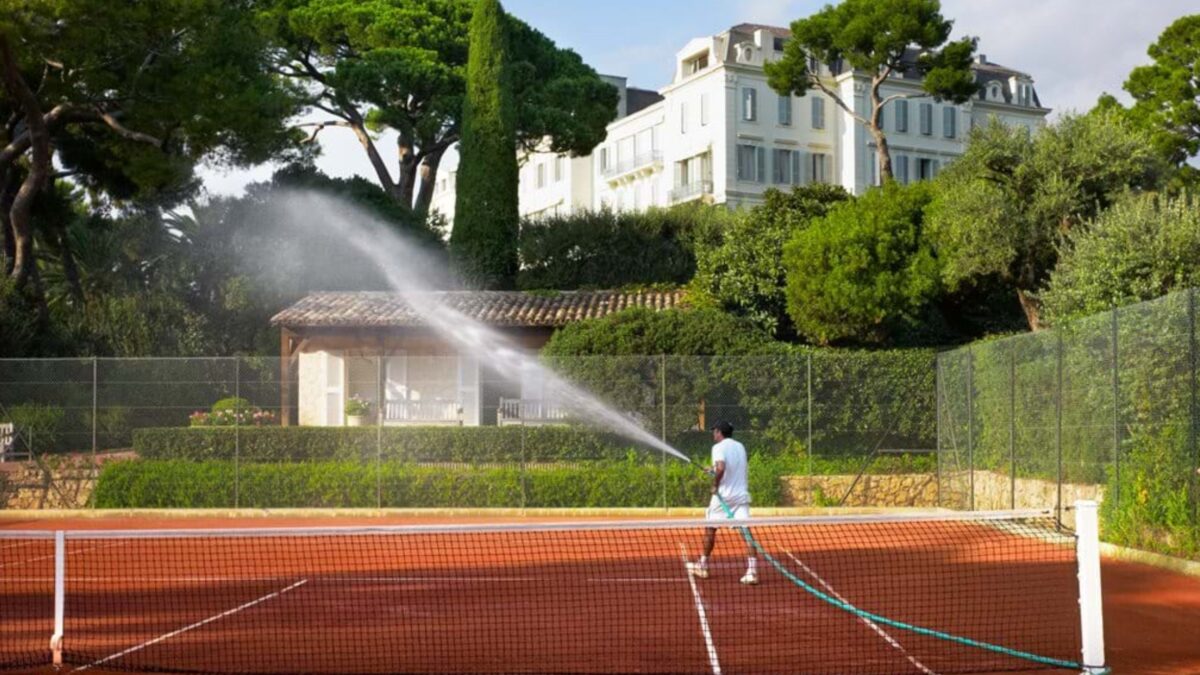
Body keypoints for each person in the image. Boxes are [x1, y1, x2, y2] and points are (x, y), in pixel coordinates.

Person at [686, 420, 756, 585]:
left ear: (719, 432)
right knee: (746, 532)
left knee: (710, 529)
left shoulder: (717, 447)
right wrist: (712, 469)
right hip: (741, 496)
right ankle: (752, 571)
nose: (713, 434)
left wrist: (715, 485)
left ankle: (703, 565)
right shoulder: (740, 446)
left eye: (714, 431)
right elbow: (729, 467)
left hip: (723, 497)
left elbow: (722, 467)